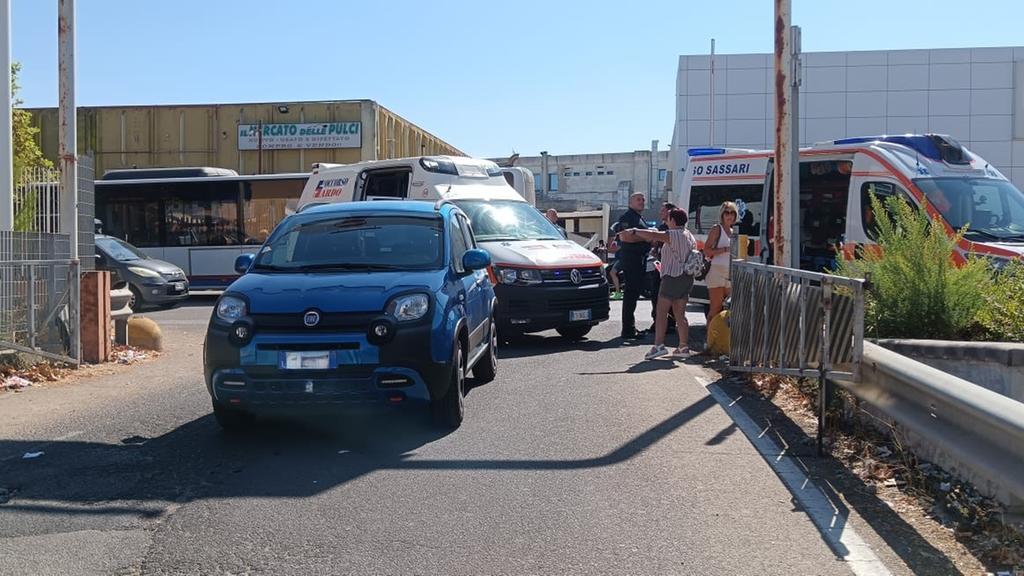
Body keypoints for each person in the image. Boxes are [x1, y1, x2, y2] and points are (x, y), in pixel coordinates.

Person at [626, 208, 695, 360]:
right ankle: (683, 346)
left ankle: (658, 345)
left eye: (668, 218)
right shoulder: (689, 235)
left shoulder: (673, 234)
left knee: (661, 312)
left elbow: (652, 235)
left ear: (673, 221)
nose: (666, 221)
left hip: (671, 277)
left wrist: (635, 231)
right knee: (680, 314)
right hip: (686, 278)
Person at [615, 192, 652, 339]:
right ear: (630, 203)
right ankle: (628, 329)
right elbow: (625, 237)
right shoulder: (627, 218)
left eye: (643, 200)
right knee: (631, 294)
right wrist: (647, 236)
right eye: (638, 200)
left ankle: (631, 327)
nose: (641, 202)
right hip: (632, 260)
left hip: (640, 259)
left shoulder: (639, 218)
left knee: (635, 294)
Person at [704, 201, 737, 322]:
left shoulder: (733, 232)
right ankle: (710, 338)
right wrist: (725, 249)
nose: (730, 215)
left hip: (730, 273)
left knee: (729, 307)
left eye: (733, 213)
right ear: (722, 215)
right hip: (716, 271)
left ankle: (721, 337)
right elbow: (707, 250)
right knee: (715, 308)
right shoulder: (716, 229)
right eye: (727, 212)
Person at [648, 202, 677, 326]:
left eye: (663, 210)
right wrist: (655, 249)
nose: (661, 212)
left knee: (669, 297)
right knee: (655, 295)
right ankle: (657, 322)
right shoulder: (661, 227)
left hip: (670, 269)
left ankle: (669, 323)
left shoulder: (673, 230)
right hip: (659, 266)